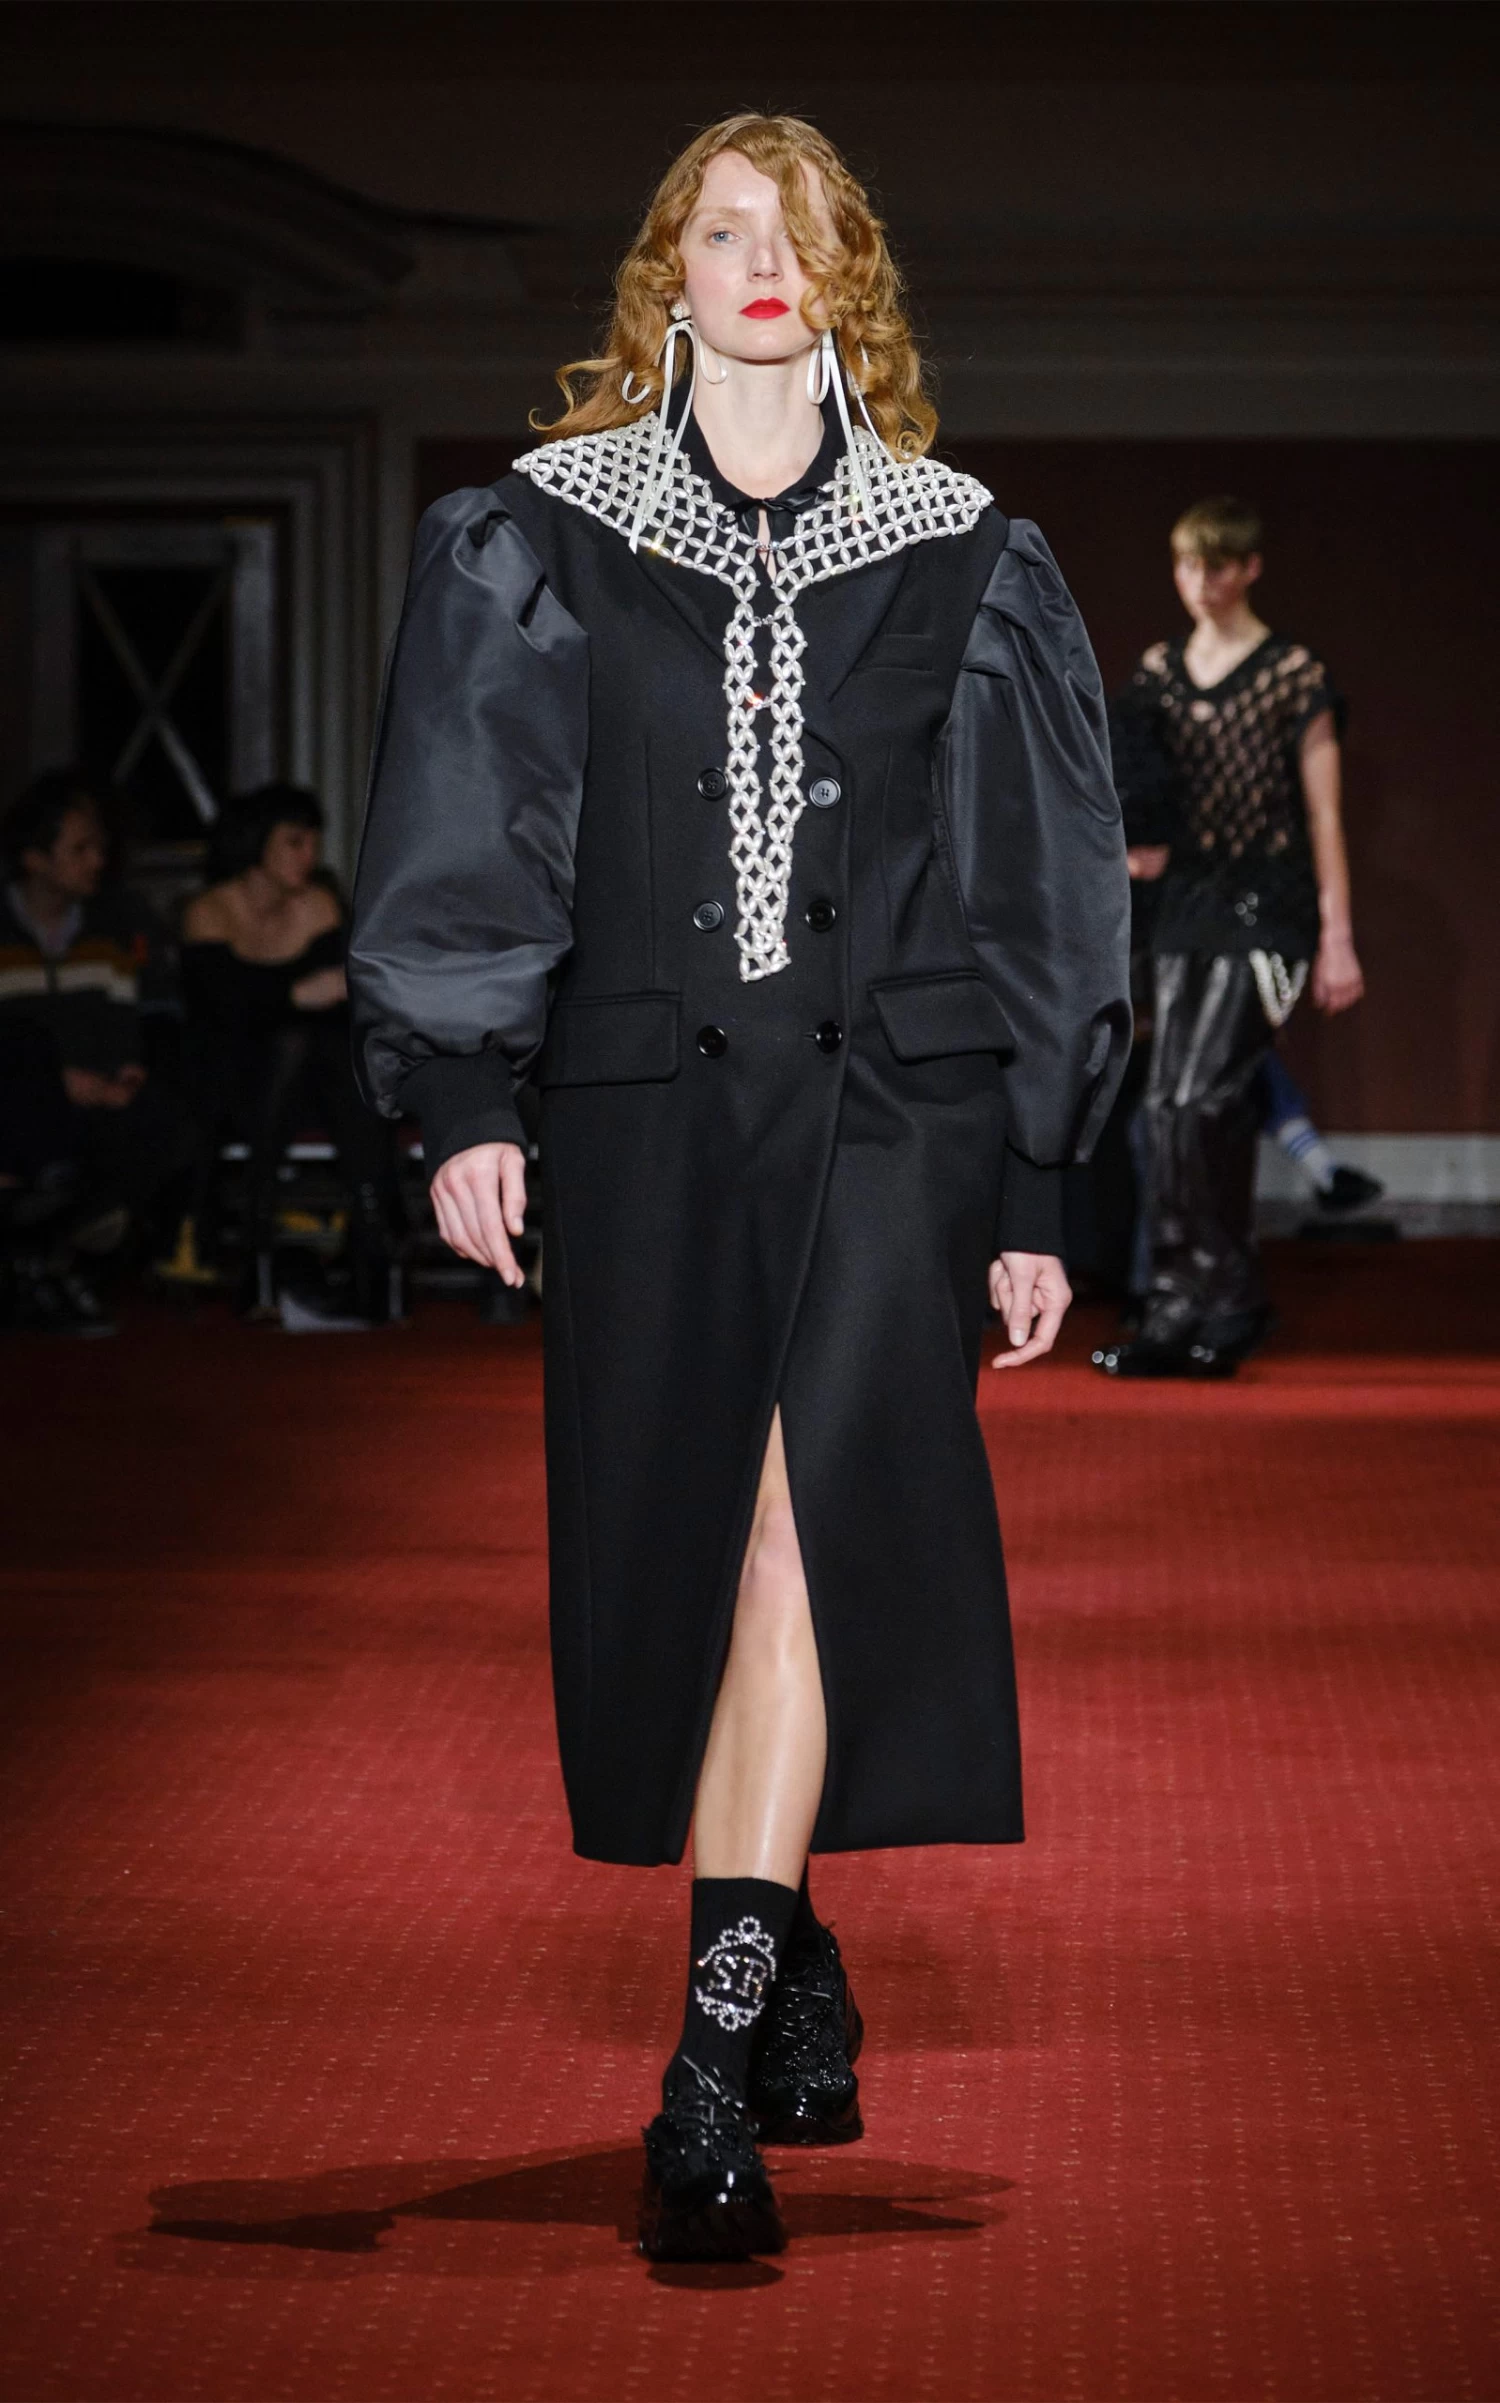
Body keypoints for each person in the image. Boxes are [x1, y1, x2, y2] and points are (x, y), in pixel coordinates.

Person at [348, 114, 1131, 2262]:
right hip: (649, 1114)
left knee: (797, 1534)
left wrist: (1041, 1170)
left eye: (800, 232)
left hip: (895, 1114)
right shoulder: (543, 531)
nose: (763, 260)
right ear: (665, 274)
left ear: (850, 270)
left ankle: (702, 2073)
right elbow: (475, 815)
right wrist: (462, 1091)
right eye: (721, 228)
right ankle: (792, 1945)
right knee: (695, 1545)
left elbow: (1038, 879)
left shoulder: (966, 548)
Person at [1095, 495, 1365, 1379]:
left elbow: (1323, 815)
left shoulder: (1291, 673)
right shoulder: (1162, 670)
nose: (1198, 582)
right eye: (1186, 564)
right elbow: (1133, 775)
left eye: (1215, 564)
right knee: (1166, 1107)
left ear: (1249, 568)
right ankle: (1179, 1303)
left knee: (1206, 1100)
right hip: (1188, 902)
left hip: (1270, 905)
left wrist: (1338, 936)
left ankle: (1229, 1297)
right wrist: (1136, 840)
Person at [180, 784, 401, 1321]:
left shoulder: (317, 905)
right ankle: (365, 1242)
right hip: (233, 1084)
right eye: (294, 842)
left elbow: (345, 1004)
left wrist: (312, 998)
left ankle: (367, 1238)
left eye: (314, 843)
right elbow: (218, 1013)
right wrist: (293, 995)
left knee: (329, 1053)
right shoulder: (211, 911)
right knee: (292, 1047)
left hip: (314, 1088)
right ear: (256, 843)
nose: (309, 856)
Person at [0, 768, 188, 1331]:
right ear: (35, 859)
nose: (97, 861)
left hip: (103, 1092)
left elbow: (150, 1008)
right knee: (23, 1055)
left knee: (168, 1119)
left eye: (100, 847)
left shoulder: (118, 917)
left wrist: (130, 1067)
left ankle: (63, 1246)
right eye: (80, 849)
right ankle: (43, 1256)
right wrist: (59, 1080)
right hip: (19, 1096)